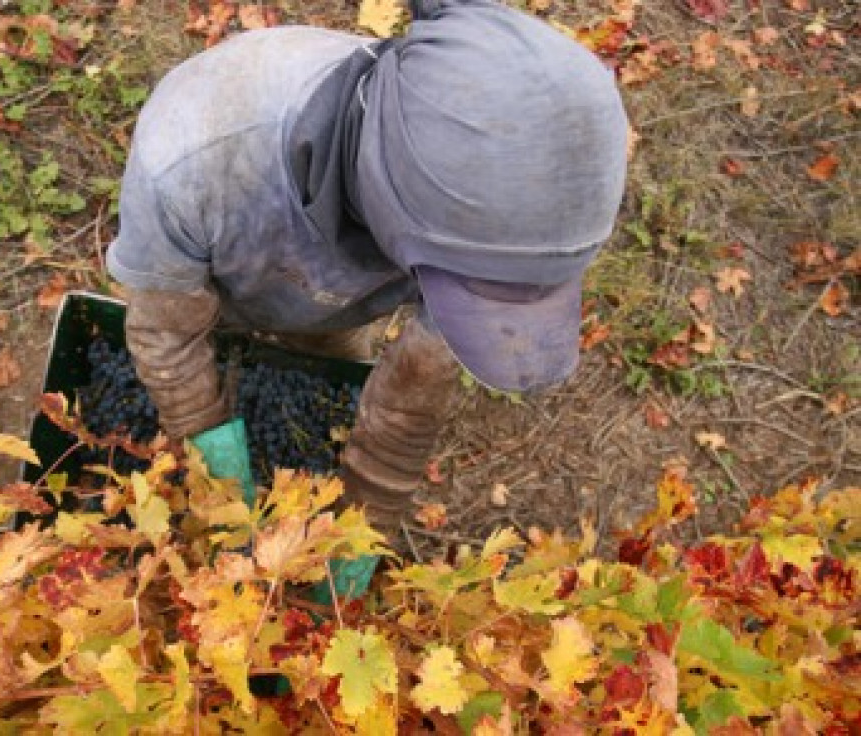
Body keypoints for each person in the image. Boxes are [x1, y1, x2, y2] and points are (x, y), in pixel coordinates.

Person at [105, 0, 628, 546]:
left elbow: (419, 382)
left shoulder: (505, 224)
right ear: (386, 198)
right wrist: (212, 467)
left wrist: (366, 515)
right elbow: (166, 335)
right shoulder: (194, 158)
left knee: (323, 364)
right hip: (219, 285)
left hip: (332, 301)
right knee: (212, 347)